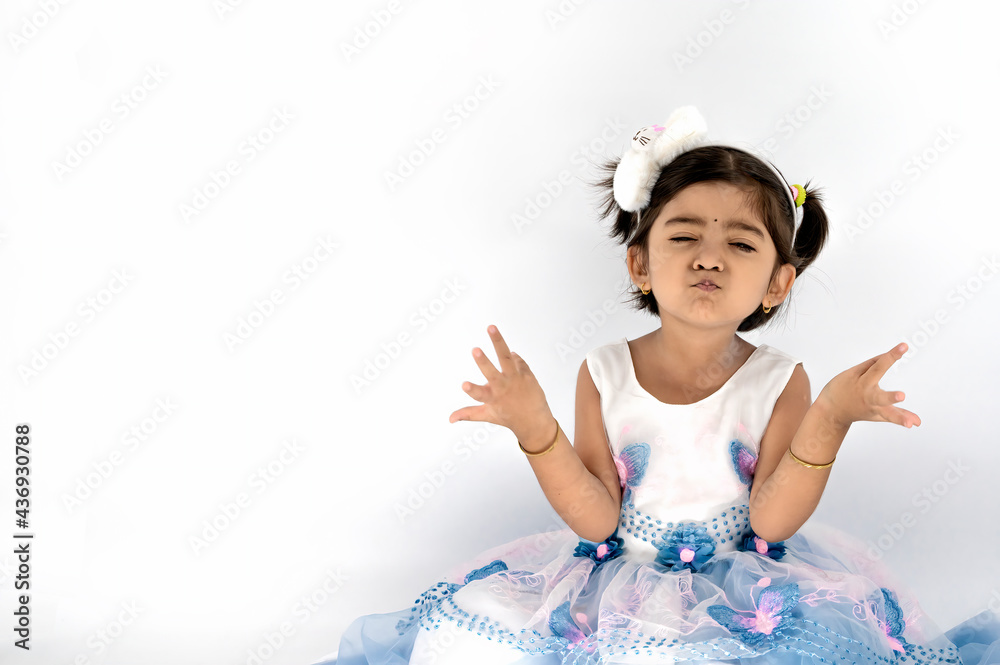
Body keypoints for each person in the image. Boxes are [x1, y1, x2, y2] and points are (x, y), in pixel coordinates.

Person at [323, 107, 1000, 665]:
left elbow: (770, 521)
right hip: (620, 575)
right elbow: (597, 518)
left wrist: (831, 417)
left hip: (744, 581)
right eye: (684, 236)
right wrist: (537, 430)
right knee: (475, 638)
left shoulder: (779, 378)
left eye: (741, 243)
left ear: (776, 282)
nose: (709, 255)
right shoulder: (604, 370)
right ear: (640, 262)